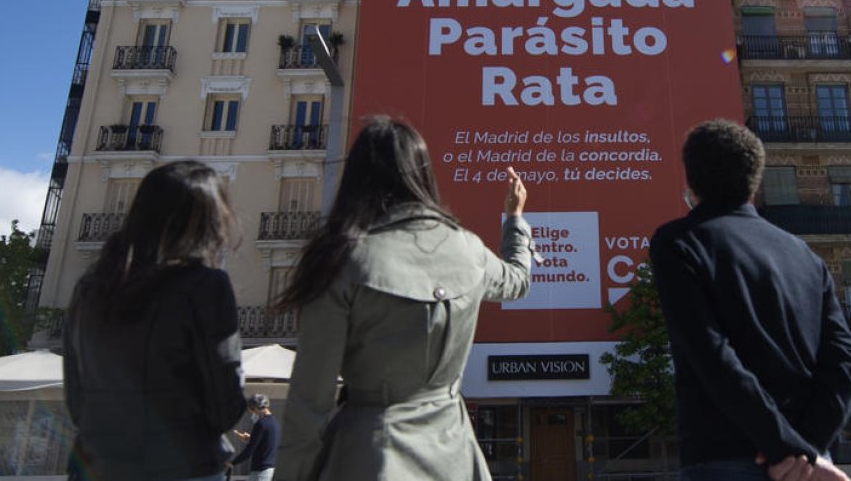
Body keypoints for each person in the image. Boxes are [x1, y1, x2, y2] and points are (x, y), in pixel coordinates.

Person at [273, 116, 533, 481]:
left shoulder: (341, 259)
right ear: (422, 175)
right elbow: (518, 281)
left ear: (356, 178)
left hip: (368, 455)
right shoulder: (468, 249)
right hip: (455, 453)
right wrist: (514, 219)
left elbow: (309, 403)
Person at [649, 120, 851, 481]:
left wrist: (785, 446)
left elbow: (712, 356)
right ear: (755, 179)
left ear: (690, 177)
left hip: (725, 457)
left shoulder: (679, 242)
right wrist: (806, 450)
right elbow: (845, 364)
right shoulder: (804, 255)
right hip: (807, 465)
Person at [63, 160, 246, 481]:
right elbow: (226, 405)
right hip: (183, 466)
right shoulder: (205, 286)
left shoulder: (89, 289)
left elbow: (77, 401)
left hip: (96, 465)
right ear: (207, 221)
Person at [230, 394, 279, 480]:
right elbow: (267, 443)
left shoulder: (261, 424)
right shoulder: (275, 423)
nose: (253, 414)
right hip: (271, 470)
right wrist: (251, 439)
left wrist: (232, 463)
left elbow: (249, 451)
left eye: (252, 411)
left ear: (255, 408)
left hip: (260, 472)